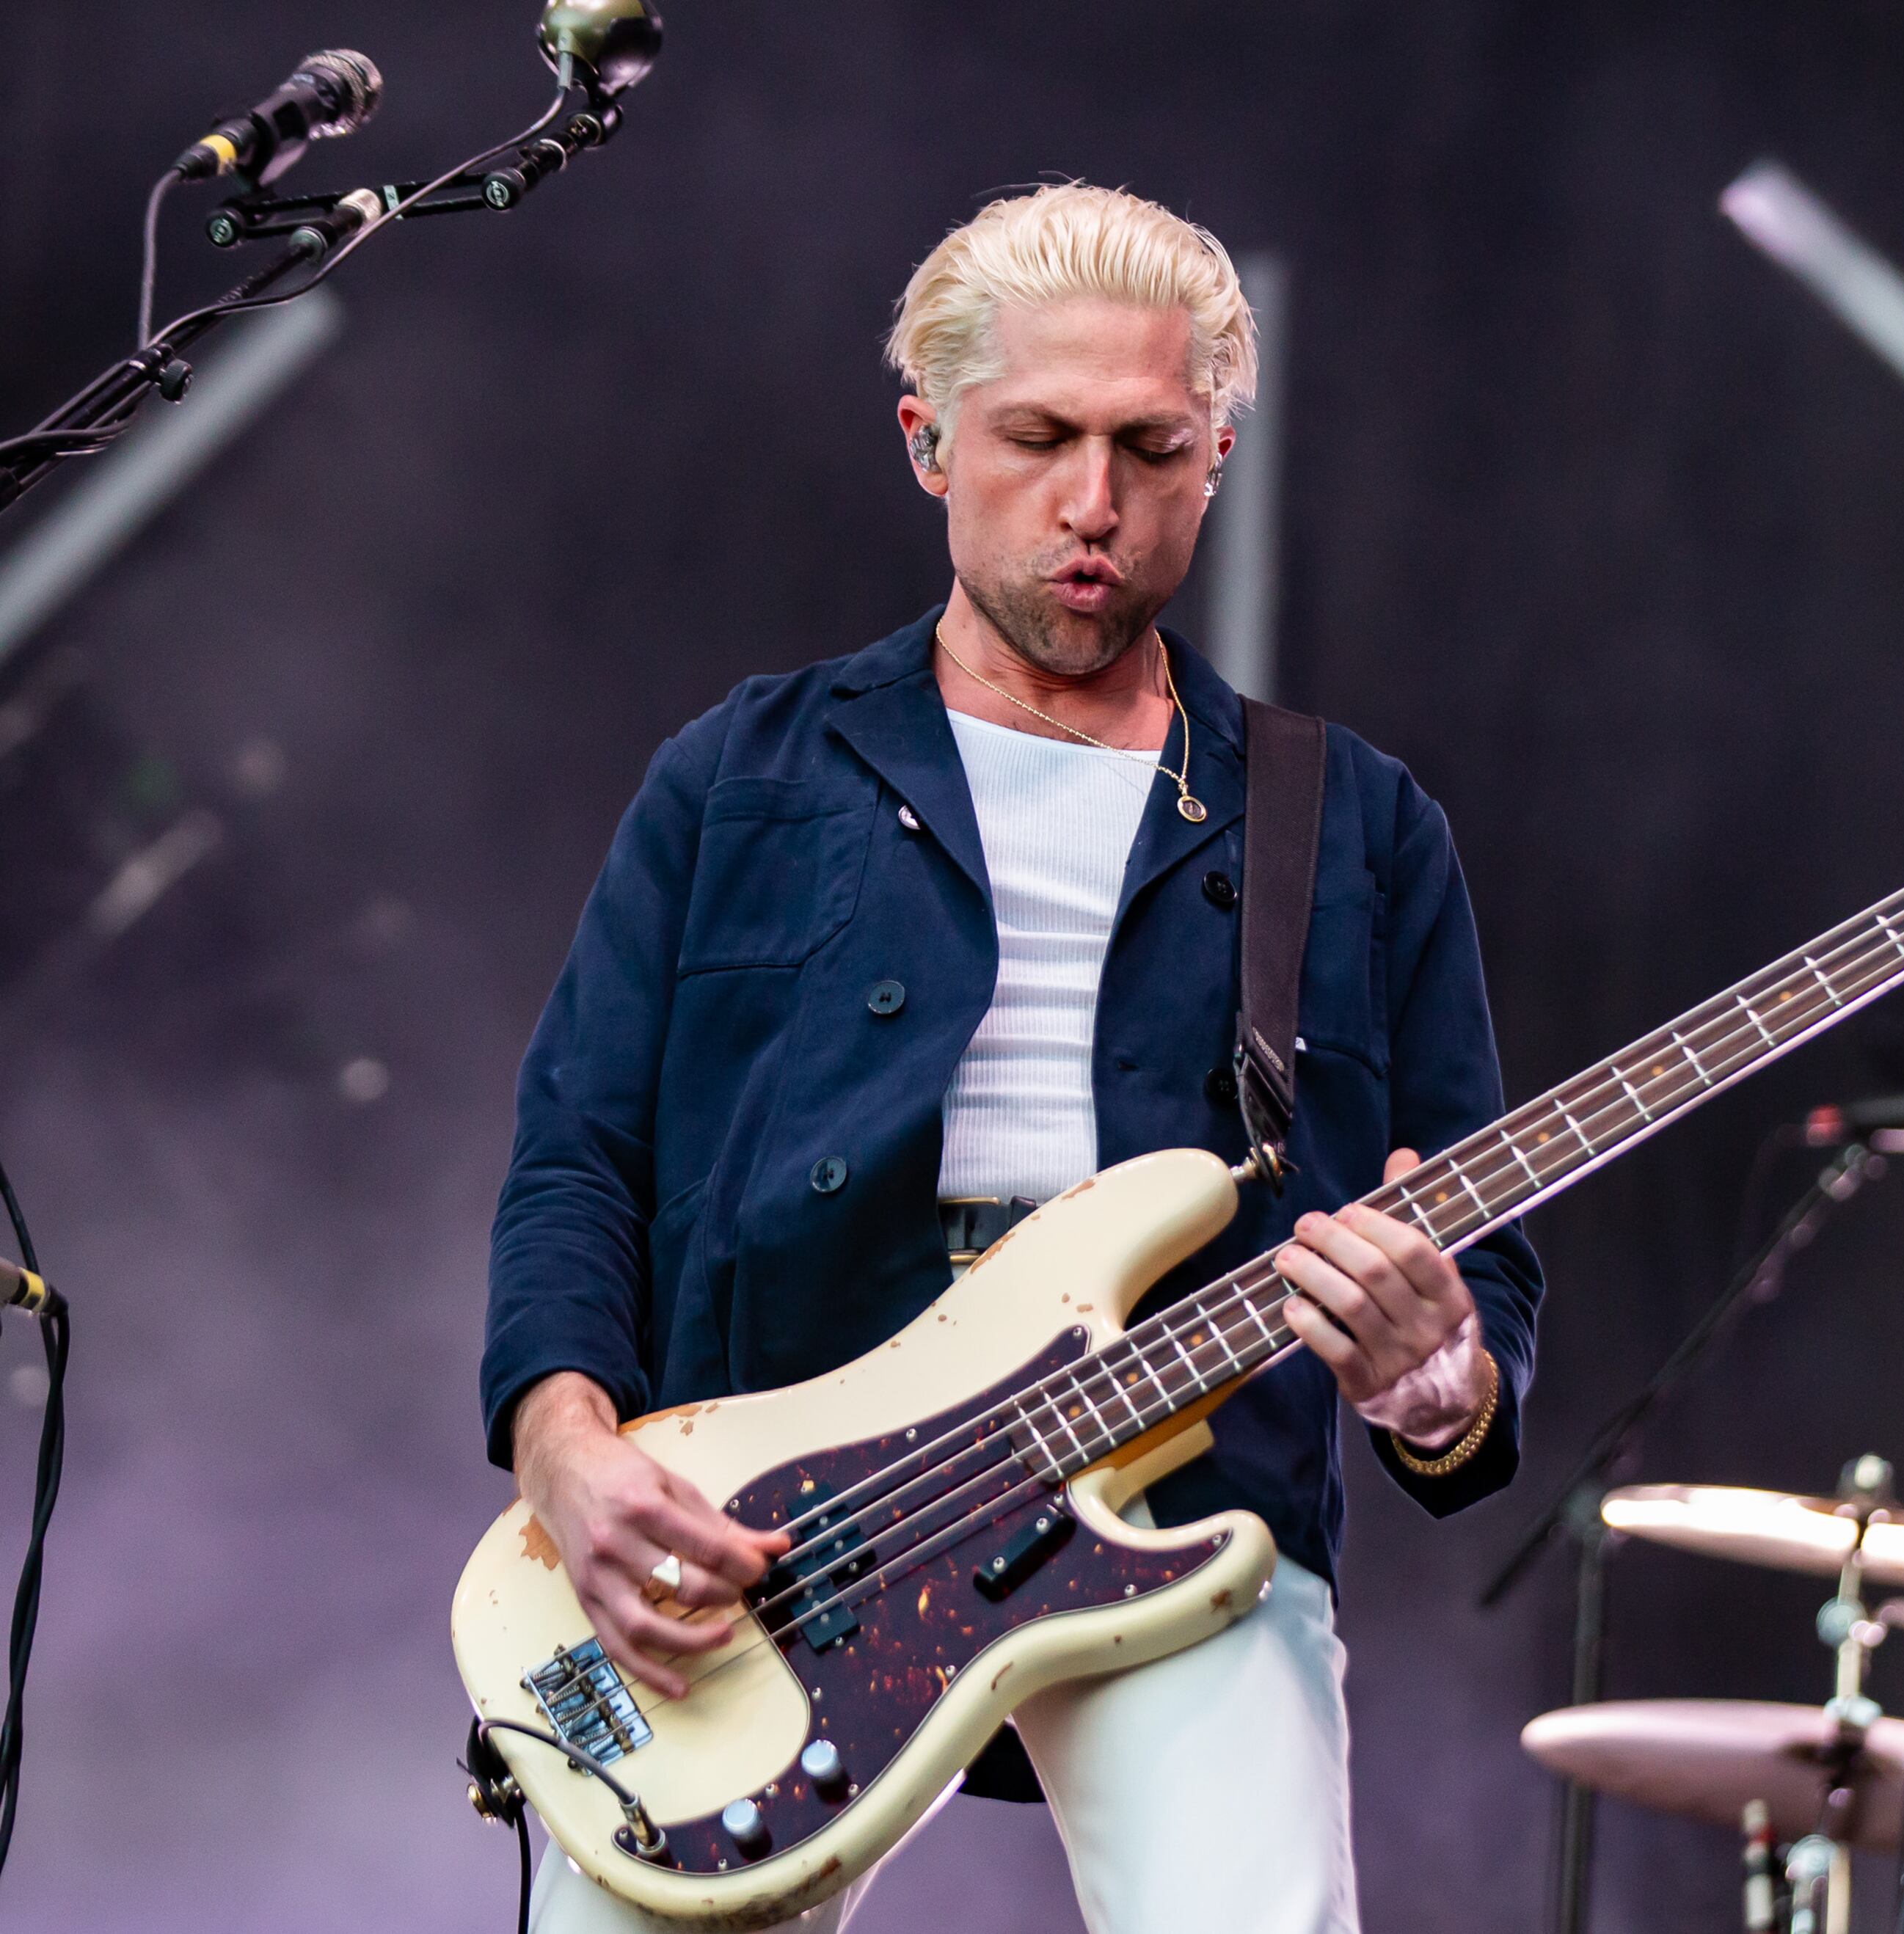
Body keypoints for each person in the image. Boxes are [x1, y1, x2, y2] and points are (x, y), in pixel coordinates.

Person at [480, 182, 1544, 1933]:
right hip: (763, 1519)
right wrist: (565, 1447)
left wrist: (1443, 1384)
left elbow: (1473, 1235)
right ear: (926, 440)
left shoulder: (1348, 823)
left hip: (1183, 1478)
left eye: (1149, 446)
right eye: (1036, 437)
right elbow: (579, 1152)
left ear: (1219, 454)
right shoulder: (740, 775)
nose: (1092, 503)